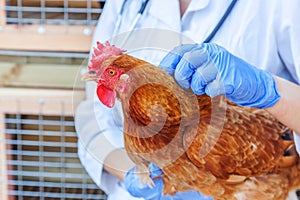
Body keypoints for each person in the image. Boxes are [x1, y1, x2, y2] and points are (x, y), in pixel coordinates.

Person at [74, 0, 300, 199]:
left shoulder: (282, 5)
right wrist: (132, 174)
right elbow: (93, 115)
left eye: (111, 73)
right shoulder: (124, 3)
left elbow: (279, 163)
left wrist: (270, 91)